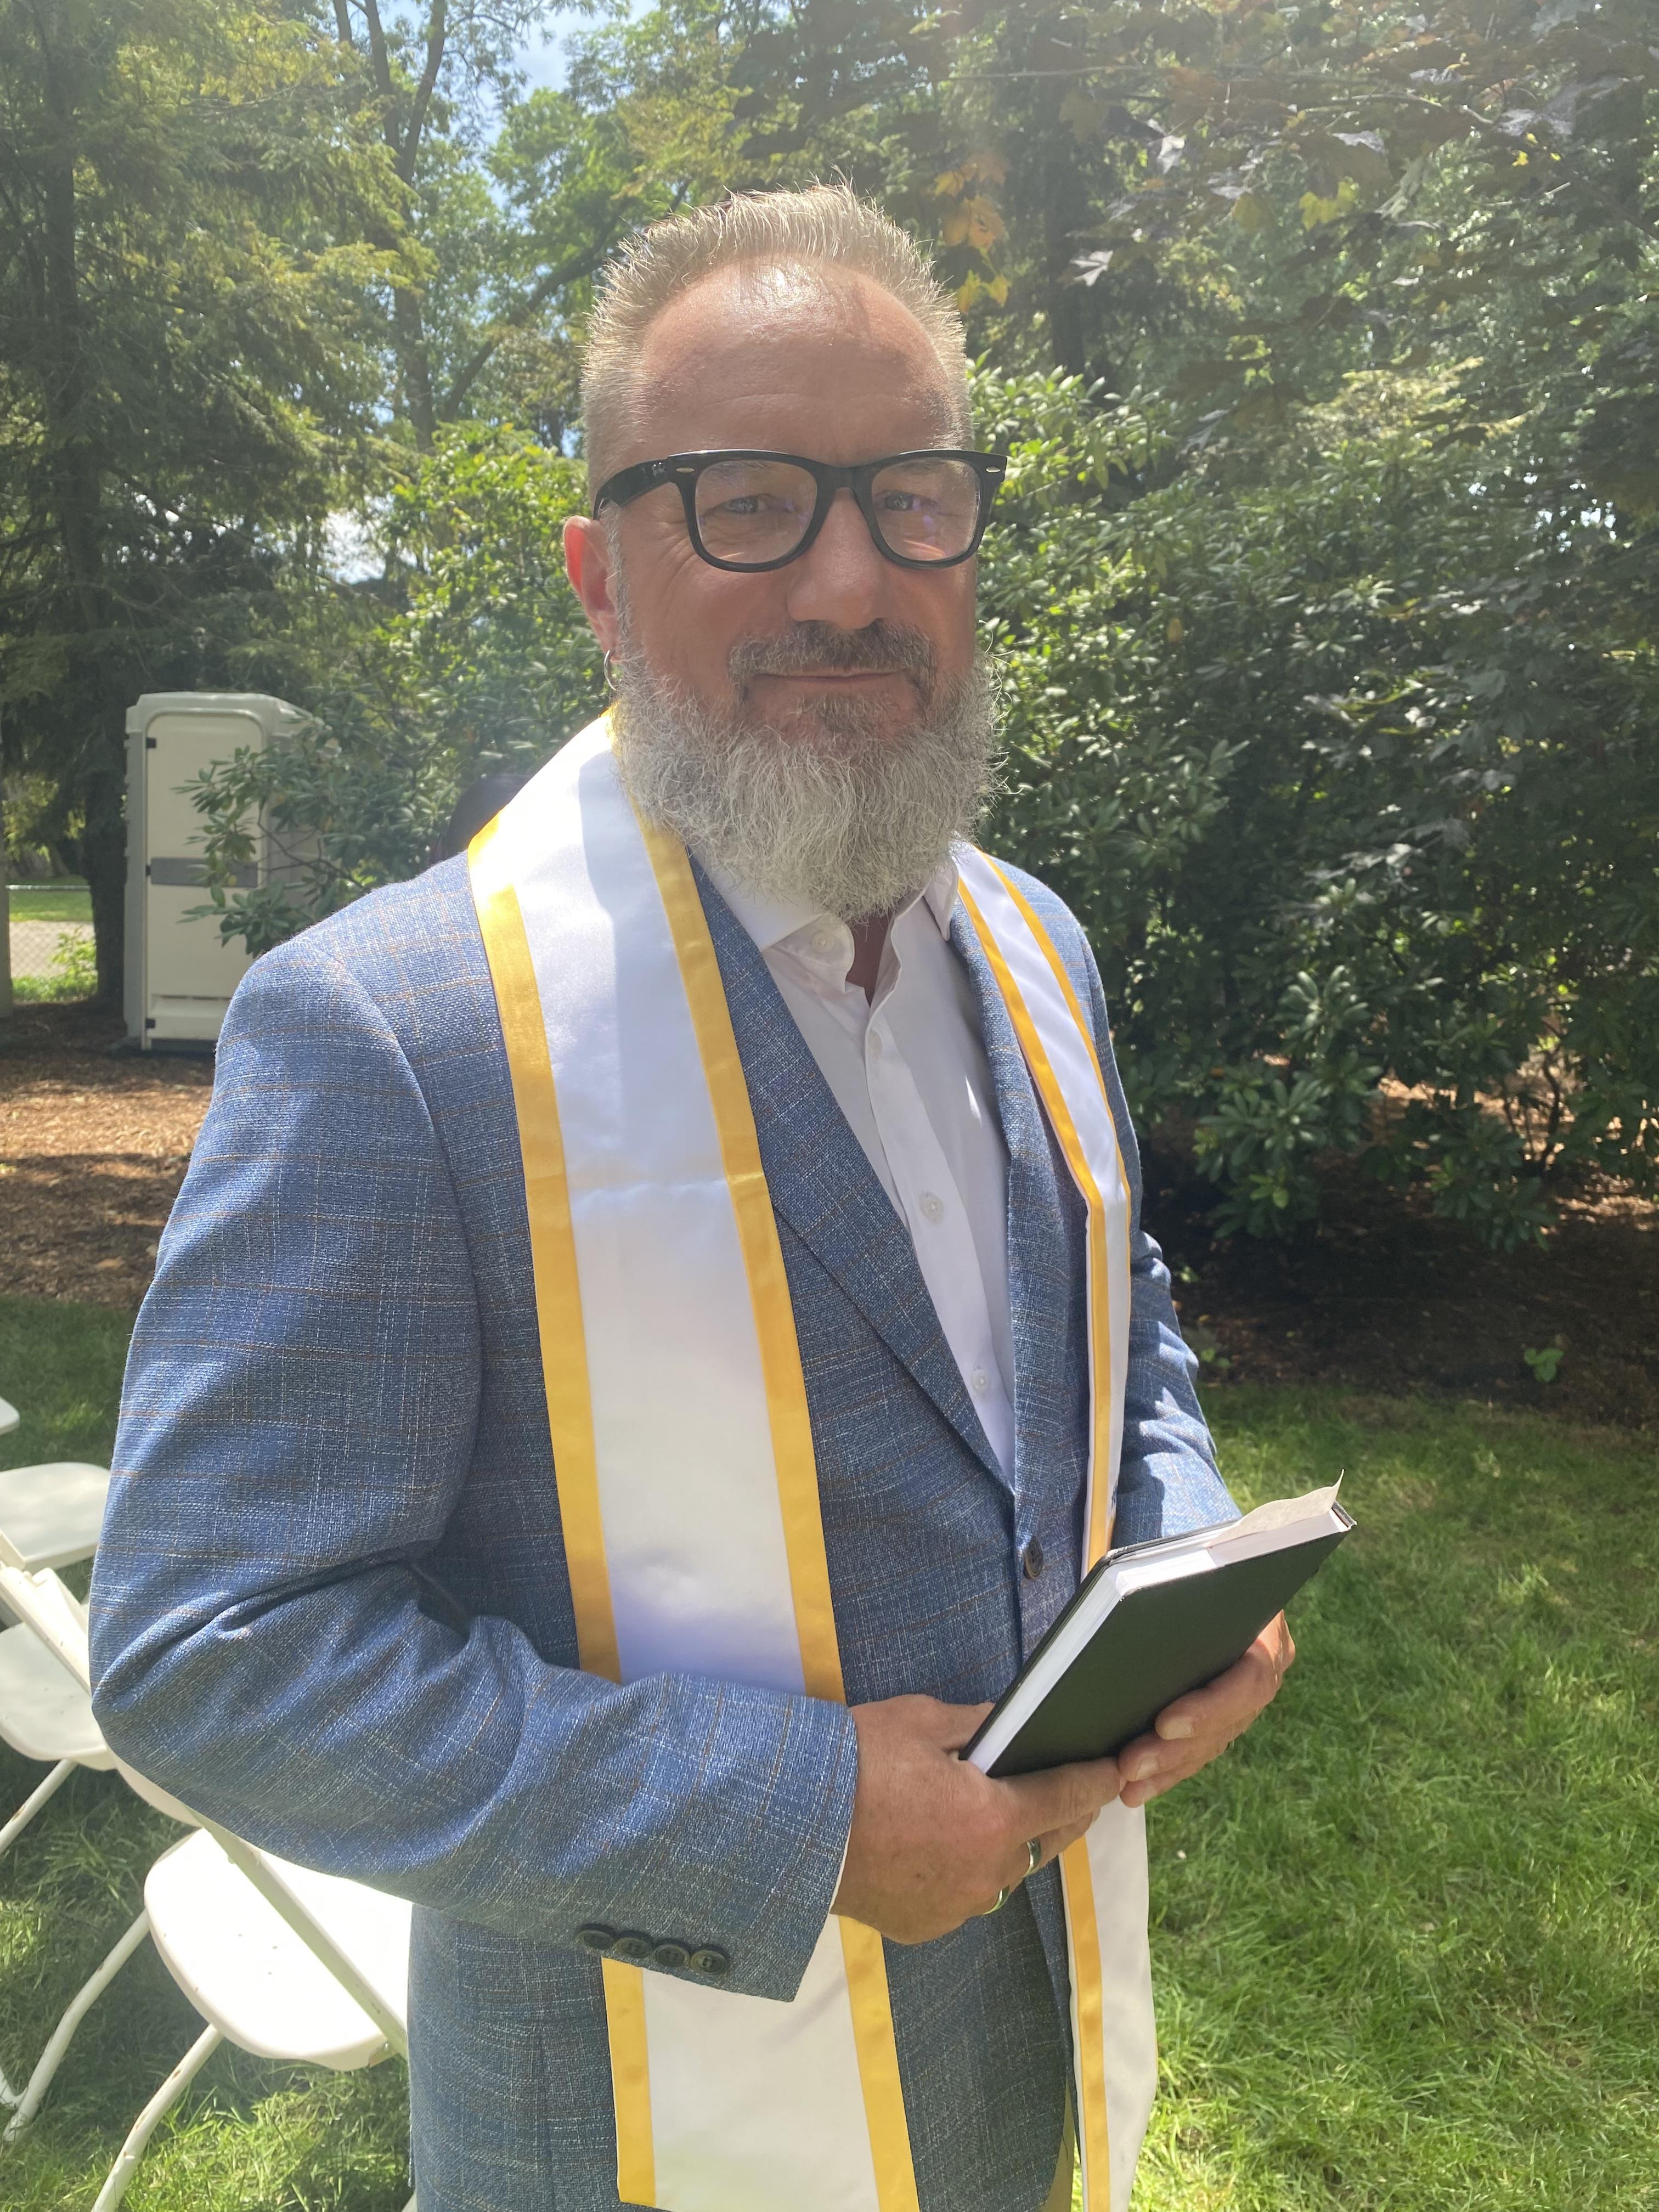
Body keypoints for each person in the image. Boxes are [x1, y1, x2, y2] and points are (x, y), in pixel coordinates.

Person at [89, 184, 1294, 2212]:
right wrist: (796, 1823)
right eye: (746, 502)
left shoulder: (1035, 942)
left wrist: (1176, 1552)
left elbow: (1112, 1298)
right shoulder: (399, 1034)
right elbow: (213, 1650)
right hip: (637, 2114)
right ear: (599, 576)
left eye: (915, 499)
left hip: (1028, 2039)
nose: (851, 577)